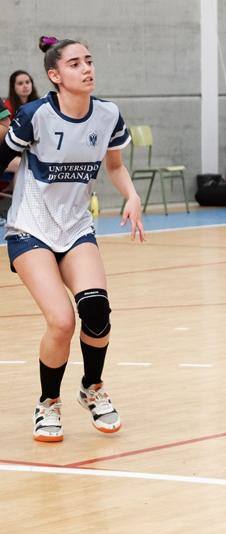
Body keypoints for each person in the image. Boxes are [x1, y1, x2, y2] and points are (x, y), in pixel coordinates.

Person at [0, 37, 145, 443]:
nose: (87, 69)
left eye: (90, 61)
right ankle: (48, 403)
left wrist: (131, 194)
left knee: (97, 311)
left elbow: (114, 165)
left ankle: (92, 387)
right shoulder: (34, 115)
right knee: (62, 321)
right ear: (55, 75)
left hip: (76, 226)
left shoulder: (108, 115)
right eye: (76, 63)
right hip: (30, 228)